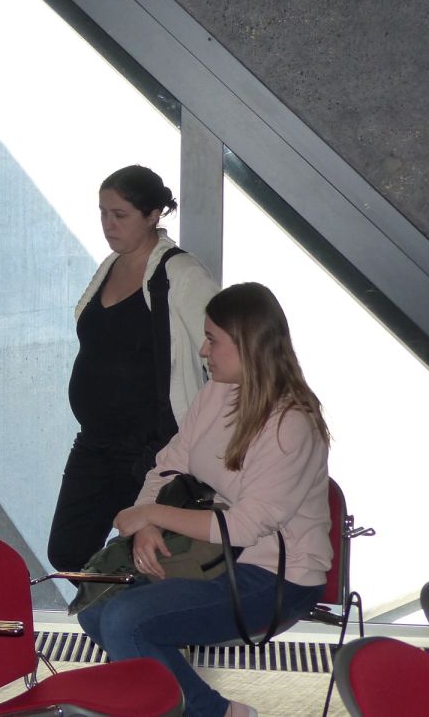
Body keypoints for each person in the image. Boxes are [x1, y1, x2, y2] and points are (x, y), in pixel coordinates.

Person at [78, 282, 332, 717]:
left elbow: (246, 527)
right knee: (95, 605)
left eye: (212, 340)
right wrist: (149, 527)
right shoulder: (218, 391)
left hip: (277, 577)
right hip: (214, 555)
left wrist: (152, 514)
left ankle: (210, 712)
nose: (202, 350)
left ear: (248, 345)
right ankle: (203, 708)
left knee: (125, 620)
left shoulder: (291, 424)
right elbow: (169, 465)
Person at [48, 165, 219, 574]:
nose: (108, 224)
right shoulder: (112, 264)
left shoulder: (181, 273)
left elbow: (225, 351)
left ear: (153, 215)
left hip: (152, 448)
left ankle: (127, 610)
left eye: (120, 215)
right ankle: (110, 606)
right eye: (103, 213)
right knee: (68, 552)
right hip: (95, 442)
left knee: (145, 555)